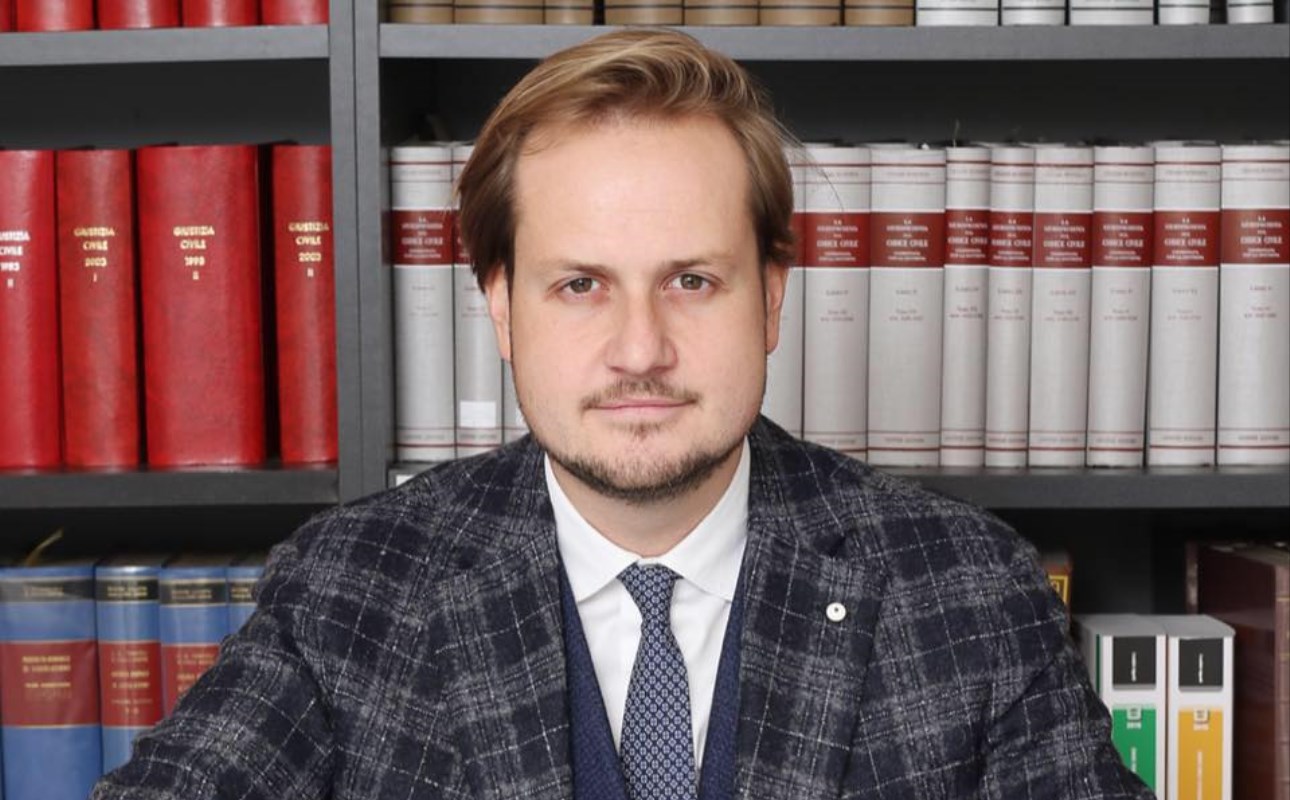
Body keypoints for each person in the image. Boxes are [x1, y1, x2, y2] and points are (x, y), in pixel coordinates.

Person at [94, 28, 1152, 800]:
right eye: (580, 285)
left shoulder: (970, 590)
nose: (640, 349)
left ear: (771, 298)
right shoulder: (349, 589)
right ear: (501, 307)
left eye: (692, 280)